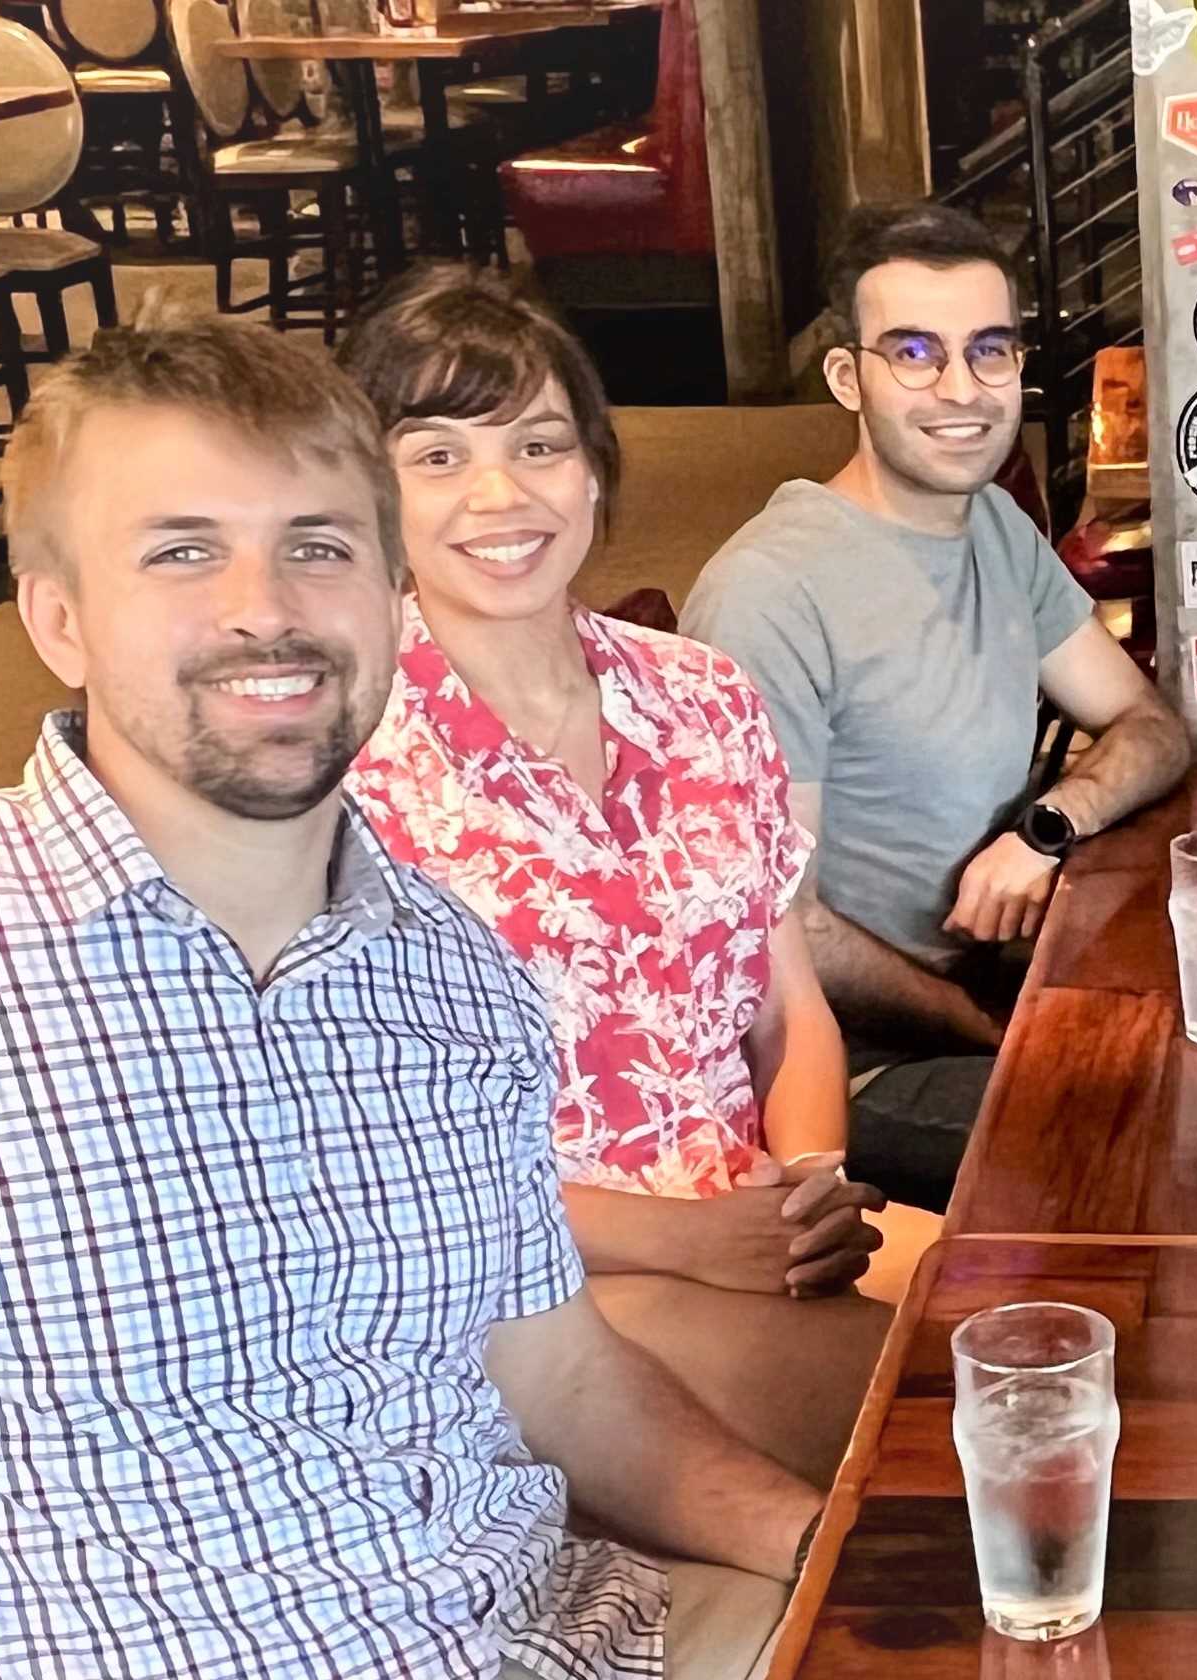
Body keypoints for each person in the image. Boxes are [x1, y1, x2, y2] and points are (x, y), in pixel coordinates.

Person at [0, 318, 825, 1680]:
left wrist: (831, 1540)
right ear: (58, 618)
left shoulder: (455, 975)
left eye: (318, 546)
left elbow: (563, 1377)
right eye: (182, 550)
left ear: (391, 599)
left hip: (558, 1643)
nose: (264, 608)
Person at [338, 266, 926, 1484]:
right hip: (524, 1285)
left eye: (538, 444)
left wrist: (808, 1185)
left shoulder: (700, 694)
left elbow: (785, 1005)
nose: (500, 493)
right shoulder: (344, 762)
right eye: (438, 456)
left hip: (746, 1210)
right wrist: (691, 1241)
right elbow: (364, 1150)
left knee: (1067, 1324)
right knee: (941, 1415)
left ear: (594, 468)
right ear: (370, 495)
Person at [684, 201, 1187, 1198]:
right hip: (847, 1063)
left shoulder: (992, 522)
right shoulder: (769, 594)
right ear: (847, 378)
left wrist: (1048, 825)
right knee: (1163, 1138)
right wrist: (991, 1028)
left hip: (989, 977)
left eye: (988, 350)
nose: (961, 389)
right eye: (914, 353)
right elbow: (786, 929)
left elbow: (1151, 726)